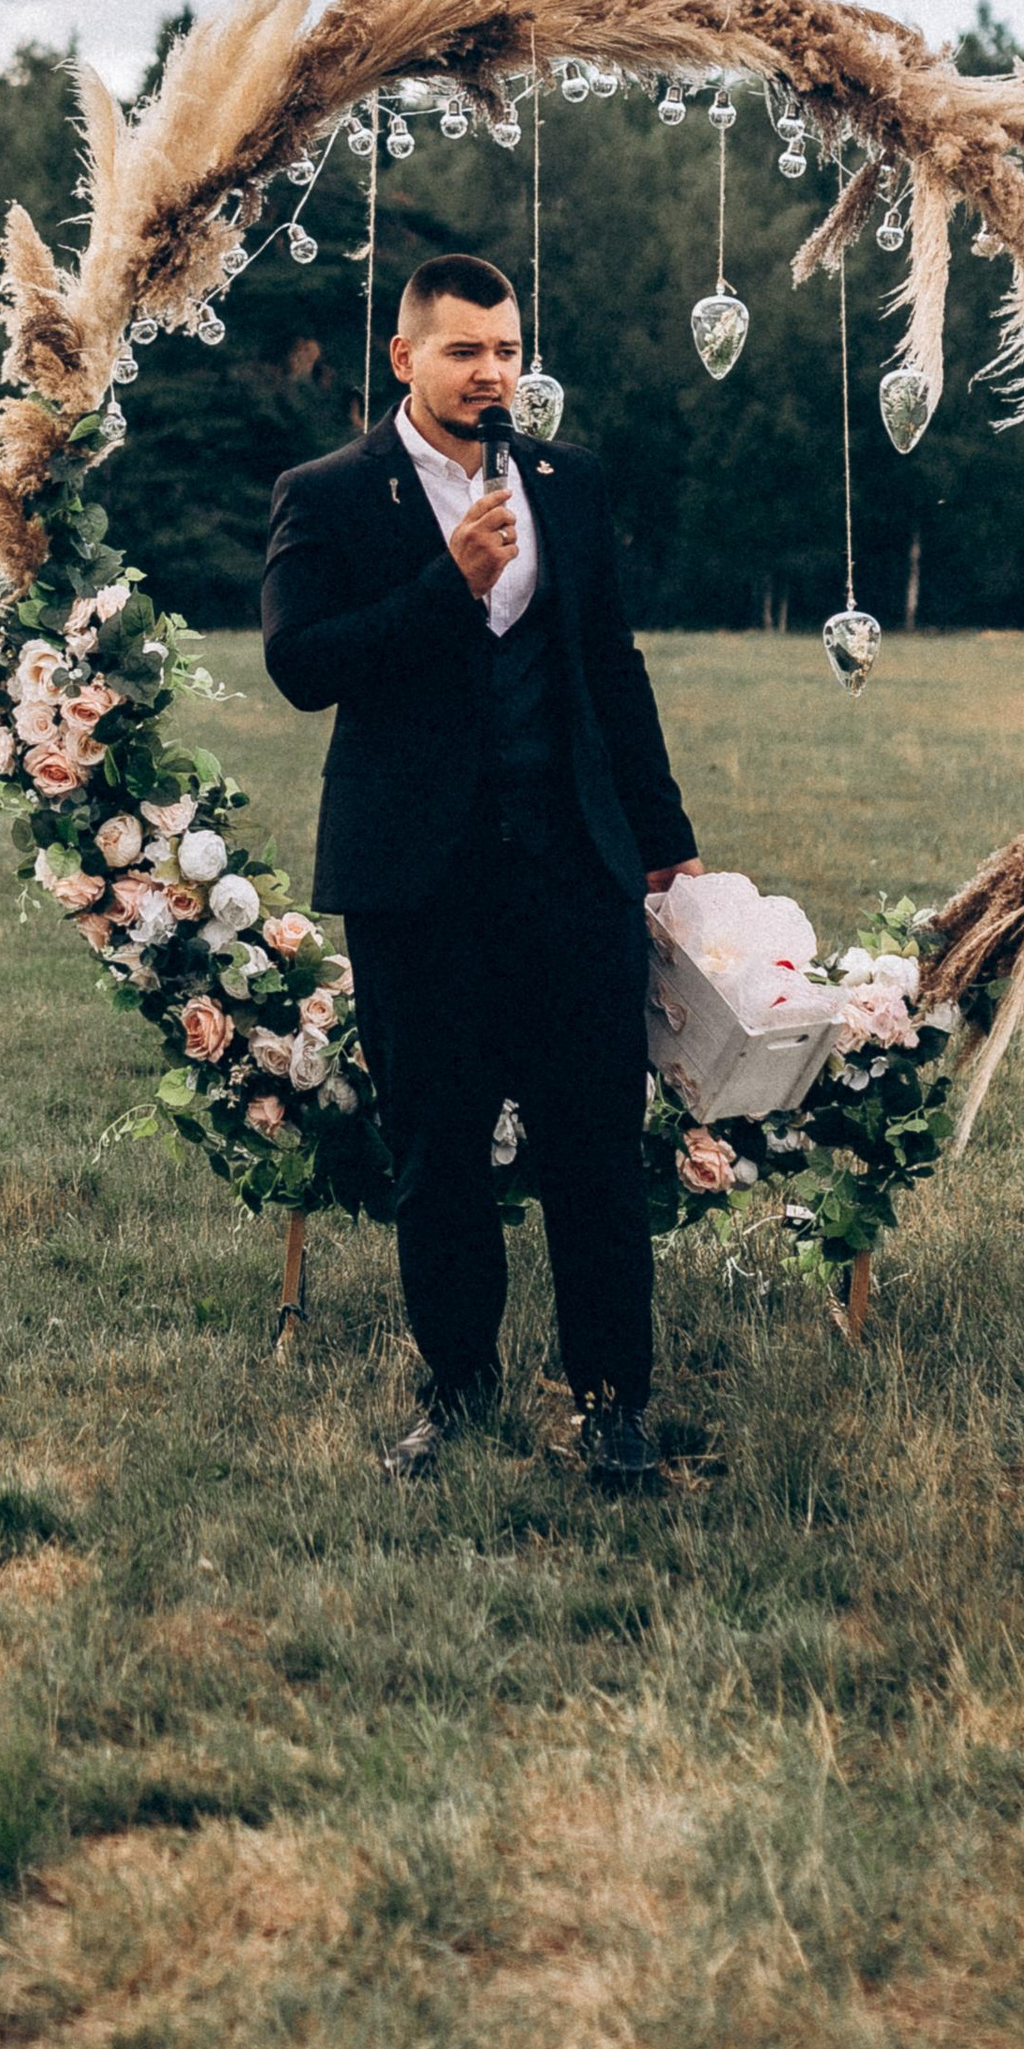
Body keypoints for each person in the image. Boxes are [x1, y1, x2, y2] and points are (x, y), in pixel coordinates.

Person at [260, 252, 702, 1485]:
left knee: (595, 1153)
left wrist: (663, 839)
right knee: (440, 1154)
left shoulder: (569, 481)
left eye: (507, 349)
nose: (492, 372)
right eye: (465, 350)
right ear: (405, 358)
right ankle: (454, 1391)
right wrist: (446, 585)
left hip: (572, 869)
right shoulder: (329, 492)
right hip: (417, 881)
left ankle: (615, 1400)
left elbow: (611, 668)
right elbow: (302, 665)